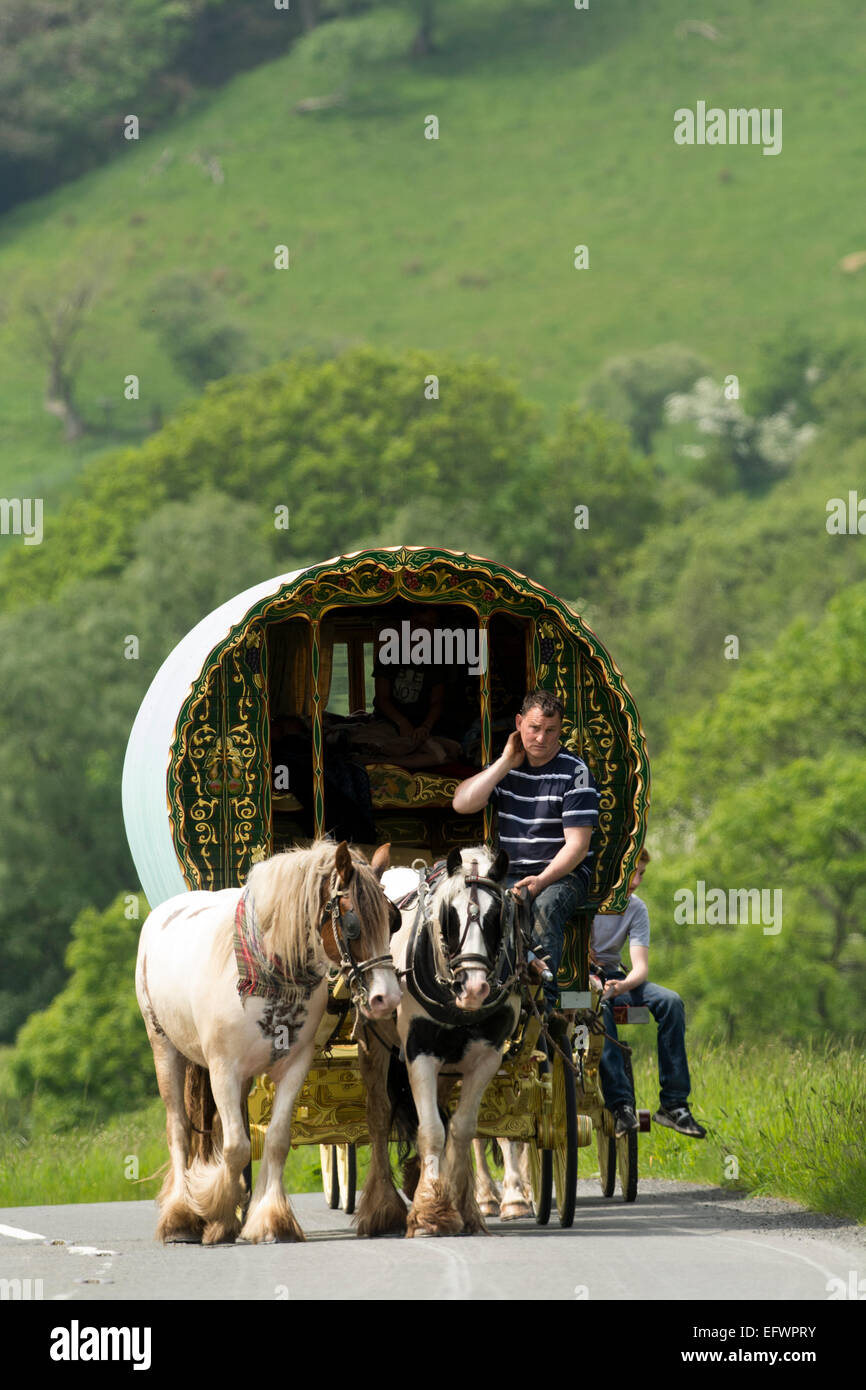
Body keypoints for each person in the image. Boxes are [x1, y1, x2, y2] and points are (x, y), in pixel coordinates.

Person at [452, 688, 599, 1012]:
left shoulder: (575, 773)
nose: (541, 738)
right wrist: (505, 762)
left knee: (544, 907)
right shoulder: (509, 767)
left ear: (561, 730)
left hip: (562, 875)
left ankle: (539, 1008)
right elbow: (462, 803)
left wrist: (542, 880)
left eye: (550, 730)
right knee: (475, 906)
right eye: (533, 728)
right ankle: (482, 996)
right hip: (510, 870)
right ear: (519, 723)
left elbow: (577, 846)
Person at [592, 849, 706, 1139]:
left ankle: (673, 1104)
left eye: (642, 873)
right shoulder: (586, 900)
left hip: (617, 979)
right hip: (582, 981)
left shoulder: (636, 908)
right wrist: (596, 981)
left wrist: (621, 986)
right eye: (633, 871)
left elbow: (640, 968)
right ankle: (621, 1105)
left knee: (670, 1001)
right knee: (598, 1007)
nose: (637, 880)